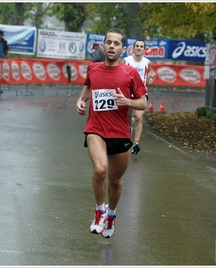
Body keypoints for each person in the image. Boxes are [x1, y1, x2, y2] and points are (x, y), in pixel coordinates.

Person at [76, 28, 147, 238]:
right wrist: (81, 101)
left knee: (115, 180)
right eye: (109, 42)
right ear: (104, 45)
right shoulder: (93, 69)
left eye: (116, 44)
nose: (112, 46)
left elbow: (143, 101)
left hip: (120, 132)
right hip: (96, 128)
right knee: (100, 169)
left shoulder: (130, 73)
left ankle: (112, 214)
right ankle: (99, 211)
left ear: (123, 49)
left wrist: (128, 102)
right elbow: (87, 88)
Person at [122, 39, 154, 154]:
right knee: (127, 117)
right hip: (129, 92)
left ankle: (136, 143)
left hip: (141, 92)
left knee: (139, 118)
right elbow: (120, 72)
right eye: (137, 46)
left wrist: (150, 77)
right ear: (134, 48)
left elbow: (149, 71)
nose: (139, 48)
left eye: (141, 46)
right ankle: (128, 127)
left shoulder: (147, 62)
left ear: (144, 49)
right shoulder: (127, 60)